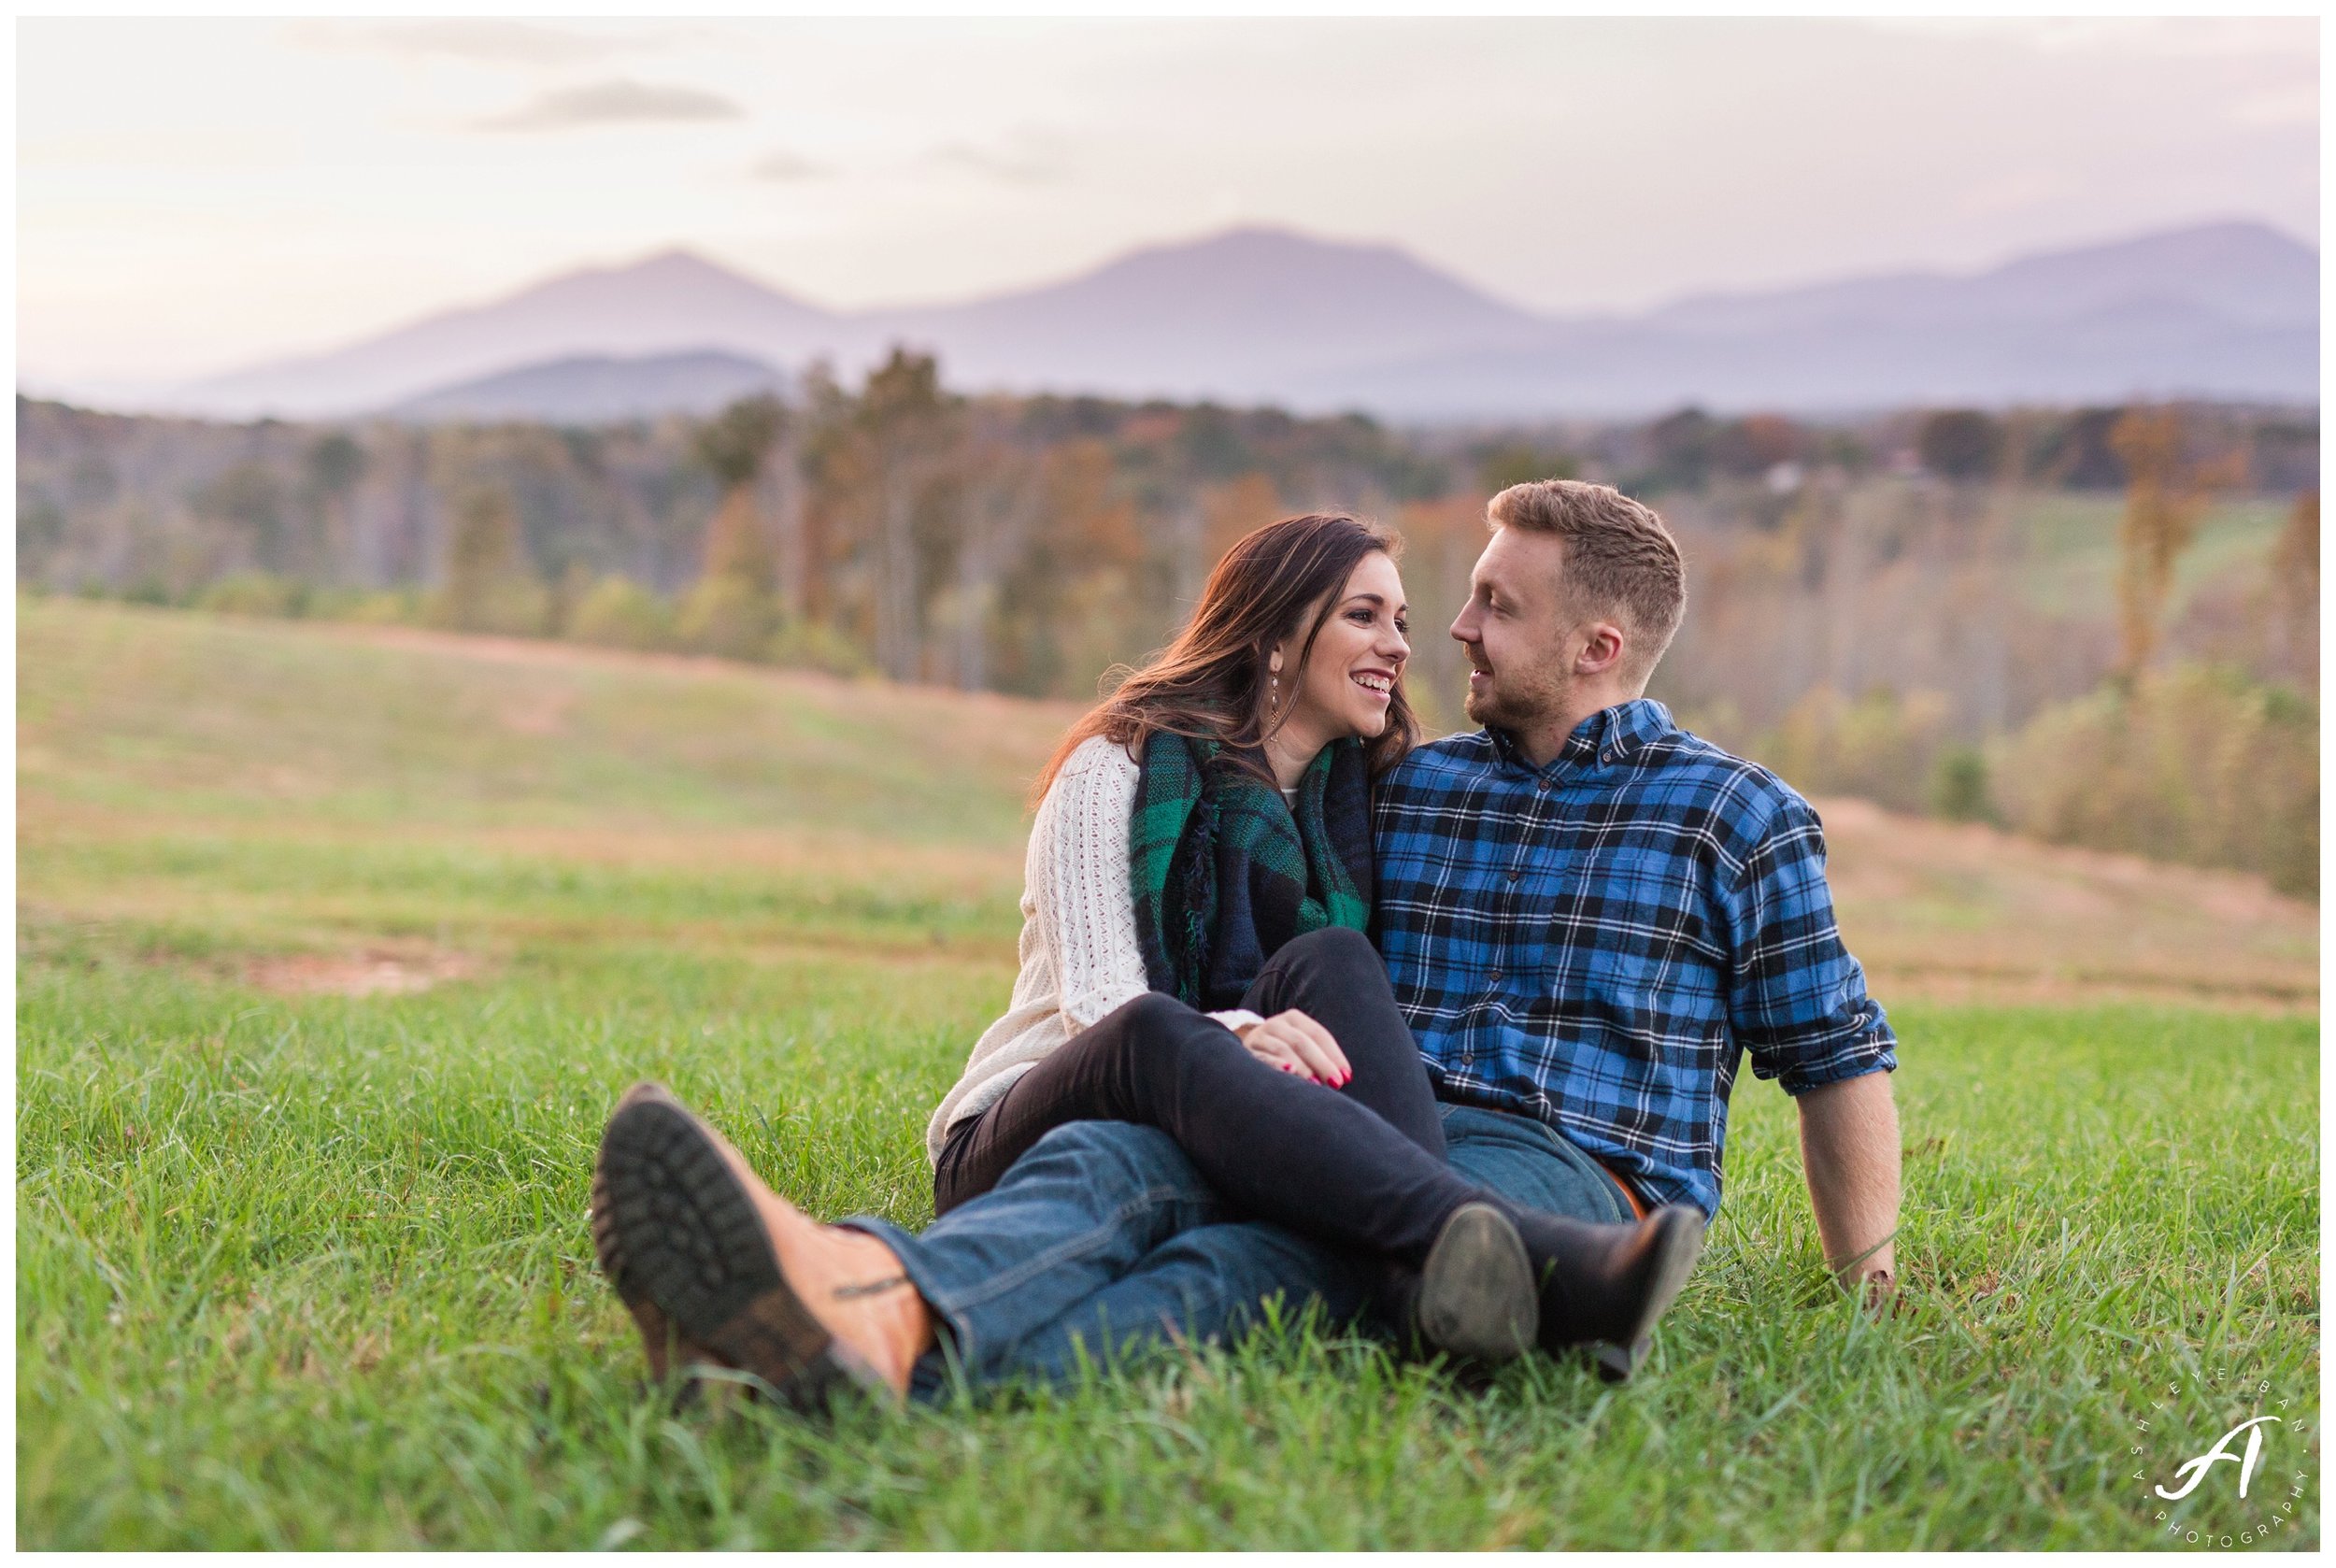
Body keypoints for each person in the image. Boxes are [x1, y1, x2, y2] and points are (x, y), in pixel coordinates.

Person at [588, 511, 1709, 1407]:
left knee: (1328, 960)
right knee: (1156, 1037)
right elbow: (1103, 1010)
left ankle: (1430, 1277)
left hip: (1217, 1116)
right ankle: (1514, 1256)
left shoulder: (1358, 804)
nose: (1402, 647)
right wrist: (1236, 1033)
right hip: (1045, 1105)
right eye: (1365, 615)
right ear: (1276, 633)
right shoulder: (1117, 770)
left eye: (1403, 621)